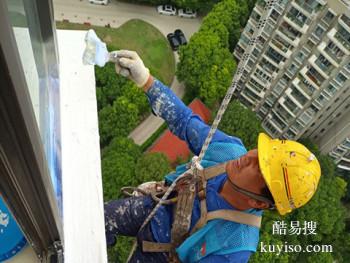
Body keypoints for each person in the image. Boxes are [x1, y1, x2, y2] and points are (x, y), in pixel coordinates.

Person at [104, 50, 321, 263]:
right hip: (156, 206)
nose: (249, 156)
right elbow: (185, 121)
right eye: (259, 153)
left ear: (259, 202)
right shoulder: (229, 151)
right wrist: (146, 81)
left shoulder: (234, 246)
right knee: (95, 221)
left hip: (163, 256)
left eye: (259, 167)